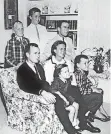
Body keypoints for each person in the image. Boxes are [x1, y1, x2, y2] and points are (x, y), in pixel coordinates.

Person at [17, 43, 81, 134]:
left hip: (45, 89)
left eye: (39, 53)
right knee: (58, 99)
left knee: (69, 92)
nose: (38, 55)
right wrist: (42, 92)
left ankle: (79, 119)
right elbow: (25, 86)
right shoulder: (22, 69)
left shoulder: (38, 66)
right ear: (27, 55)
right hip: (36, 93)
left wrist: (52, 90)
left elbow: (43, 81)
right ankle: (70, 130)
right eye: (35, 53)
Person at [44, 41, 101, 133]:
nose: (63, 51)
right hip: (57, 88)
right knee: (76, 94)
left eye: (64, 49)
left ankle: (83, 120)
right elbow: (48, 82)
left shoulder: (67, 62)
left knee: (77, 91)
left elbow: (72, 77)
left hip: (68, 86)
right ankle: (81, 122)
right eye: (61, 49)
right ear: (54, 50)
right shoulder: (48, 64)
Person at [74, 55, 109, 122]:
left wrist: (93, 87)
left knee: (100, 91)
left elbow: (88, 81)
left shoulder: (82, 72)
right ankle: (90, 113)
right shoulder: (78, 74)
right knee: (98, 96)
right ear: (78, 65)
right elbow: (81, 91)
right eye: (85, 63)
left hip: (84, 93)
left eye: (88, 63)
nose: (87, 65)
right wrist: (92, 90)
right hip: (80, 97)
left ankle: (96, 110)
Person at [50, 64, 80, 129]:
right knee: (72, 109)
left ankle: (74, 121)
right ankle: (70, 126)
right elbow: (53, 90)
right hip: (60, 101)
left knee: (76, 105)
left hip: (67, 98)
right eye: (65, 72)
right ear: (59, 74)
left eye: (68, 71)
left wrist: (73, 75)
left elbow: (74, 85)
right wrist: (63, 98)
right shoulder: (56, 81)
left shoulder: (67, 80)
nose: (68, 73)